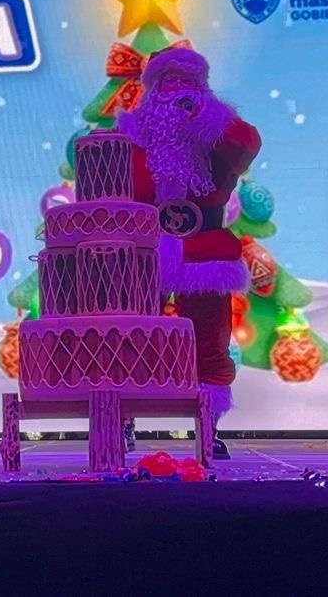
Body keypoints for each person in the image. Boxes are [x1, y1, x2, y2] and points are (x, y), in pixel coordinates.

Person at [117, 45, 260, 459]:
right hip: (142, 251)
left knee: (209, 340)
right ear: (152, 90)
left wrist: (206, 118)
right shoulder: (131, 138)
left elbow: (246, 144)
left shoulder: (218, 136)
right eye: (167, 83)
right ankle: (123, 419)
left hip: (205, 250)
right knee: (130, 336)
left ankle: (207, 426)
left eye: (188, 83)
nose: (177, 91)